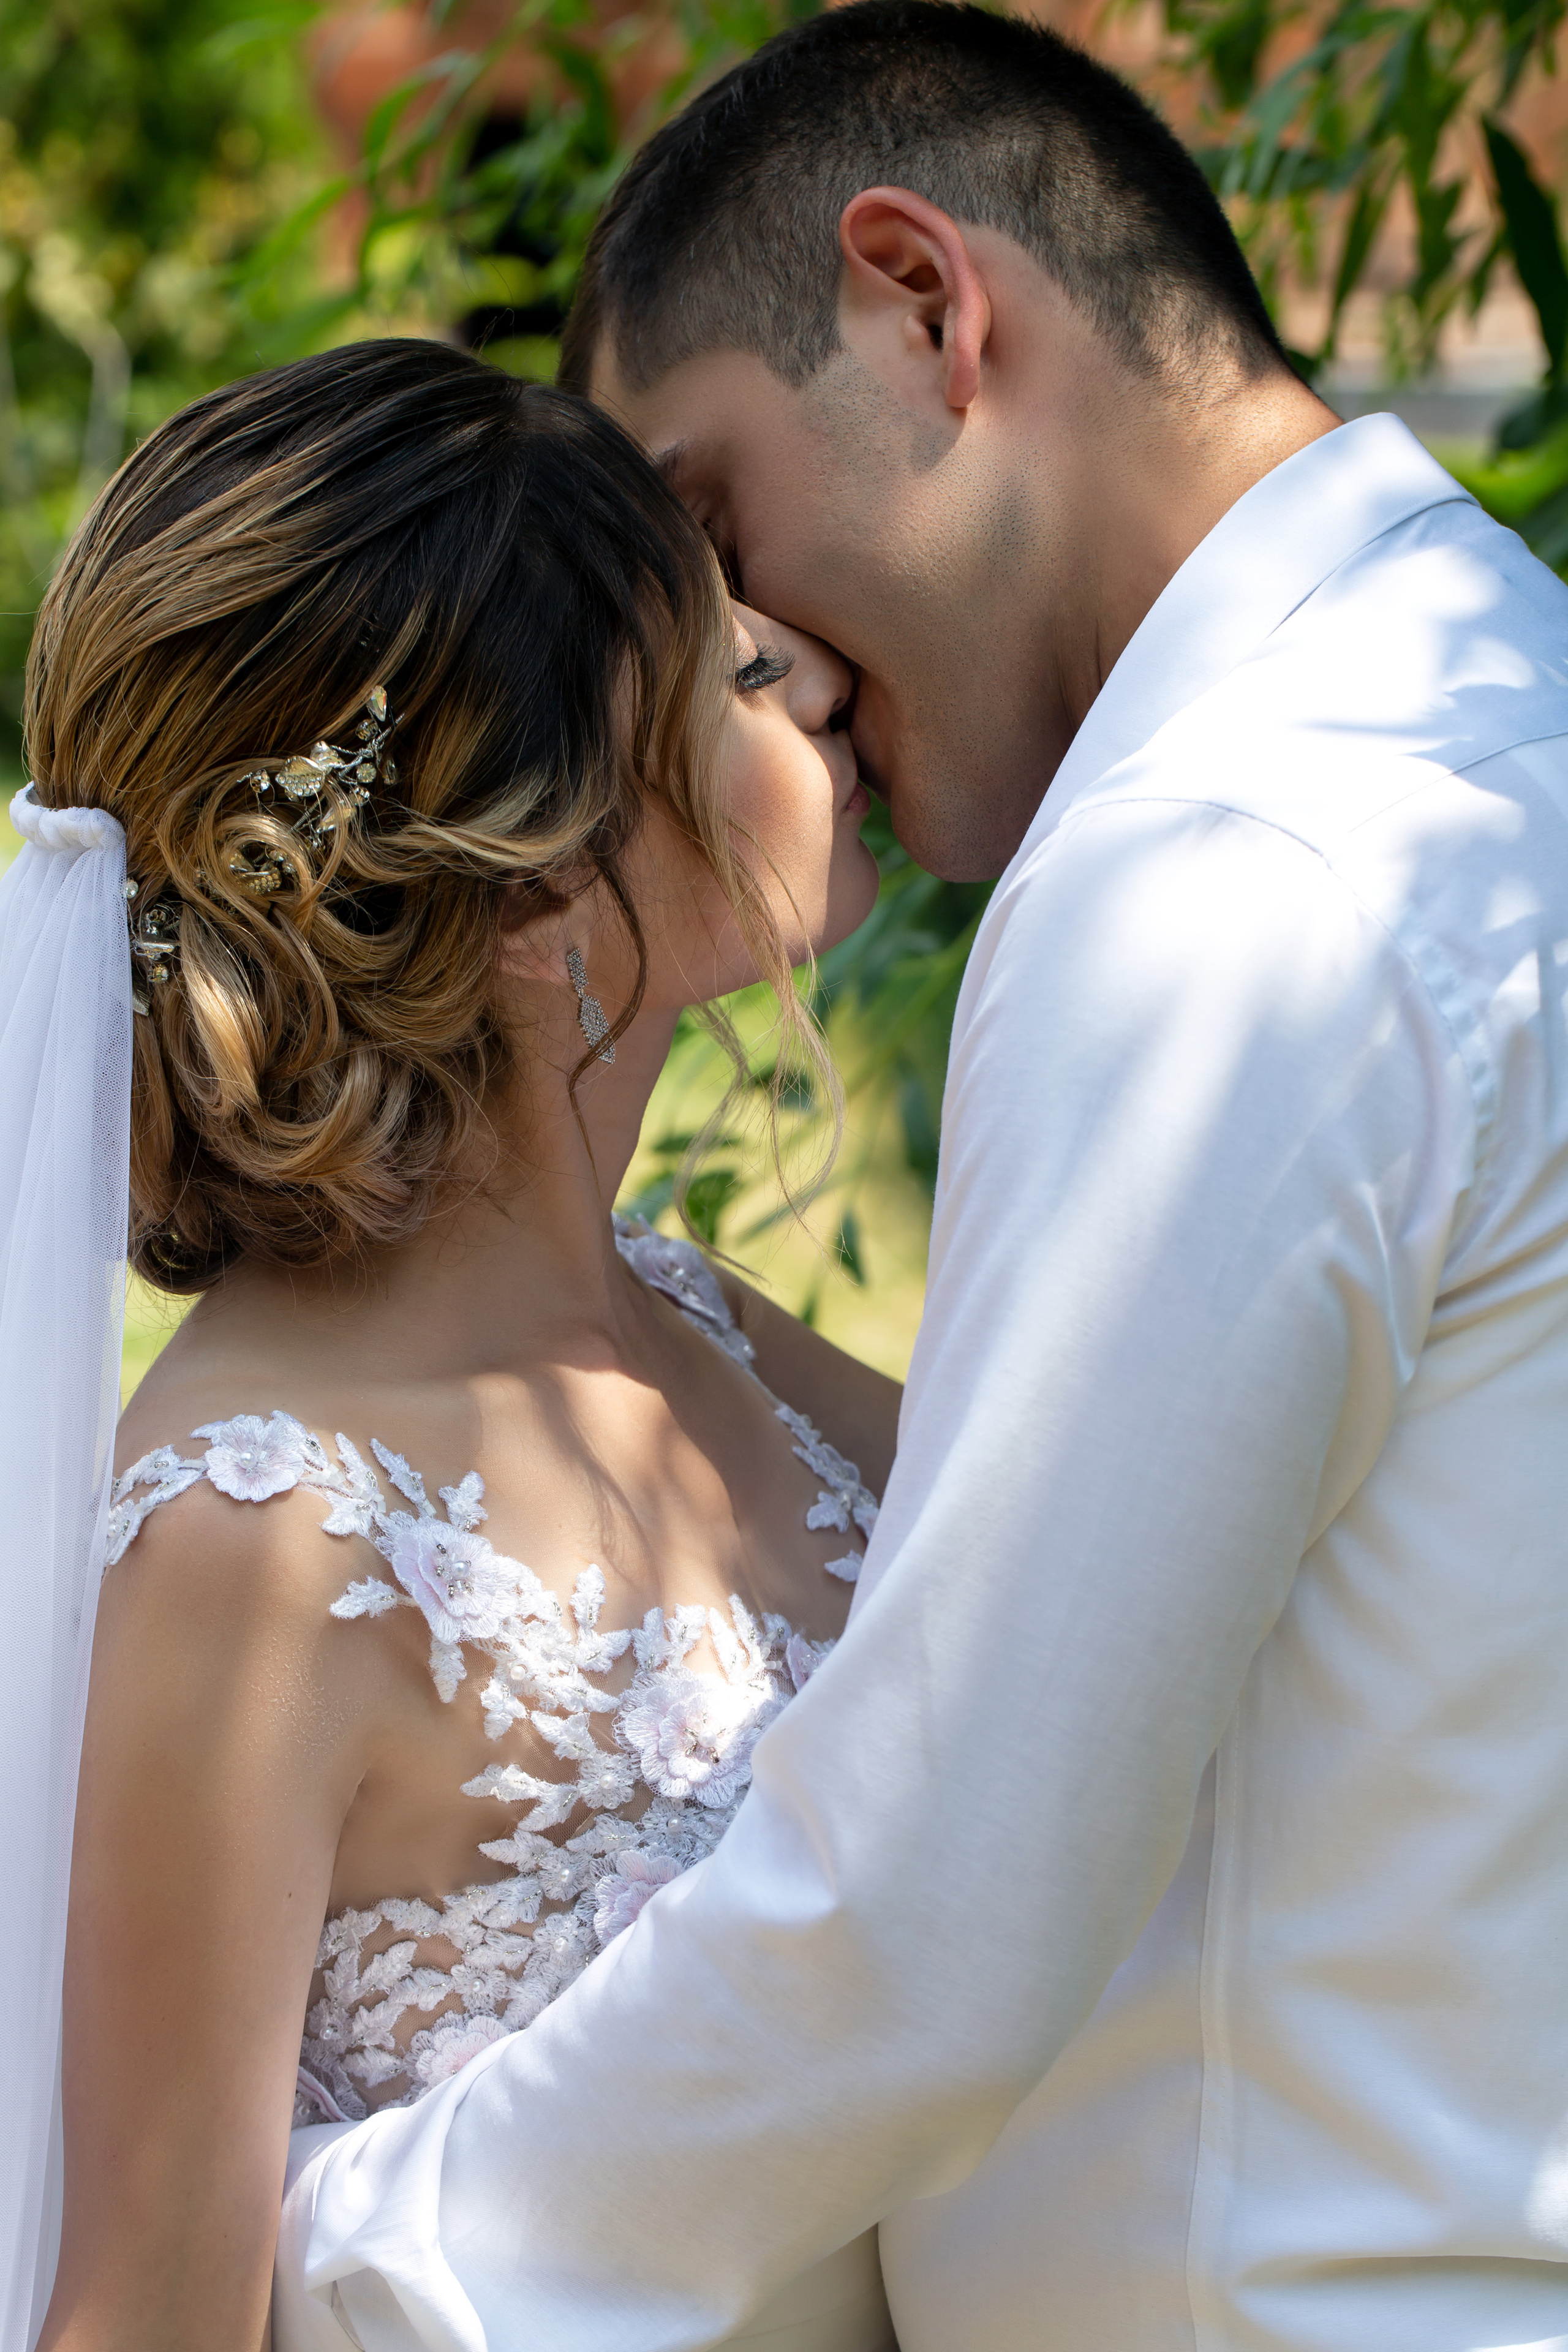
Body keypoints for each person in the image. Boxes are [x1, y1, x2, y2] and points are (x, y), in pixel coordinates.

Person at [271, 5, 1568, 2350]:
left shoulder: (1227, 880)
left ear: (925, 305)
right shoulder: (1498, 721)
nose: (728, 666)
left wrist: (316, 2261)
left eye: (703, 523)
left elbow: (927, 1913)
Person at [7, 336, 906, 2352]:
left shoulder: (698, 1321)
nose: (825, 683)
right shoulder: (262, 1544)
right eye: (743, 679)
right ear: (535, 893)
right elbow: (147, 2309)